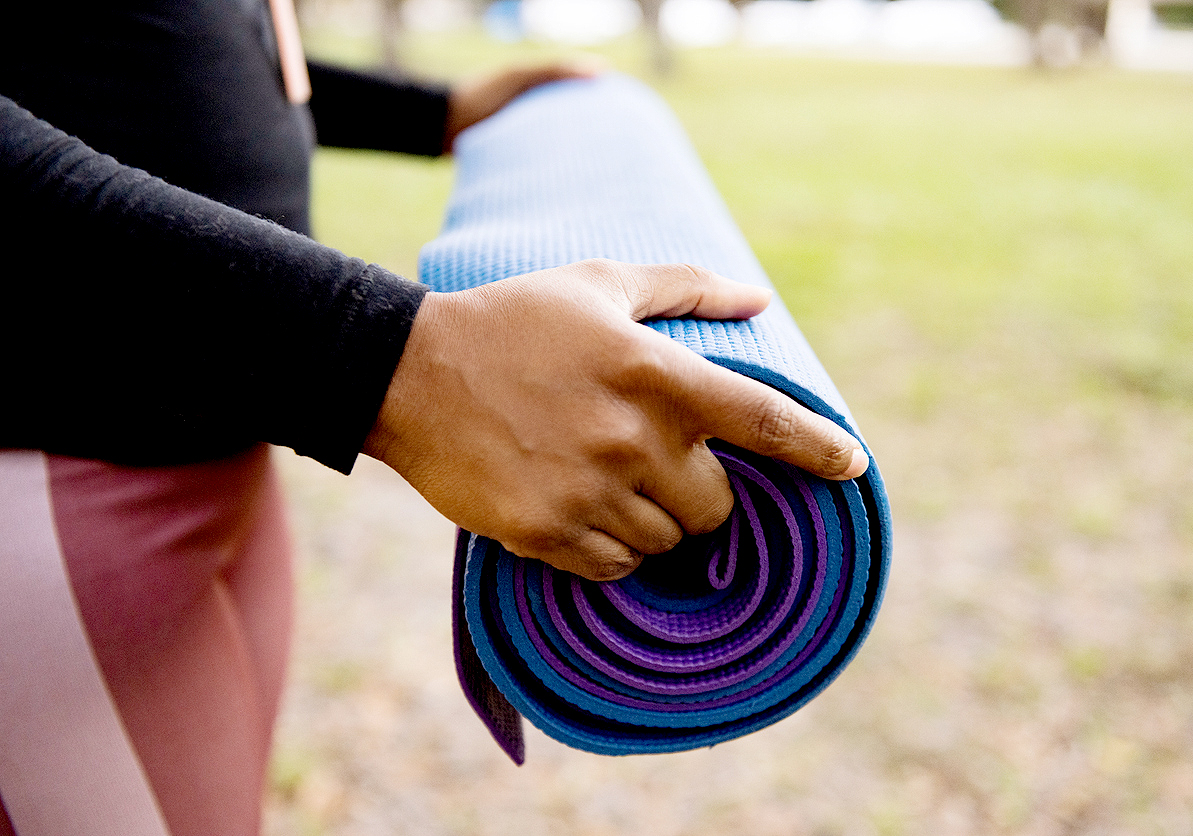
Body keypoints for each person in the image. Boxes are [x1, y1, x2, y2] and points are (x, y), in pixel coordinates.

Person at [0, 3, 868, 835]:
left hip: (226, 435)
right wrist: (393, 364)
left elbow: (146, 42)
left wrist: (433, 113)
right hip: (48, 467)